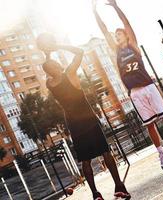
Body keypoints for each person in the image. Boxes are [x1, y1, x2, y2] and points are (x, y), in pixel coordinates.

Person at [92, 0, 163, 170]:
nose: (116, 37)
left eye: (119, 34)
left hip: (148, 86)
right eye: (115, 36)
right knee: (149, 125)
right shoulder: (117, 52)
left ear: (126, 36)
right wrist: (95, 12)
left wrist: (115, 6)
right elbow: (104, 32)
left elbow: (126, 23)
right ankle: (162, 153)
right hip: (135, 93)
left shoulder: (133, 46)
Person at [37, 34, 131, 200]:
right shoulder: (70, 73)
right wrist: (57, 45)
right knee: (106, 153)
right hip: (88, 119)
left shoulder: (50, 83)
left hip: (74, 125)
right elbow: (79, 52)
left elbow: (48, 68)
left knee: (86, 161)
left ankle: (95, 194)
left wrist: (47, 52)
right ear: (57, 66)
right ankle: (119, 186)